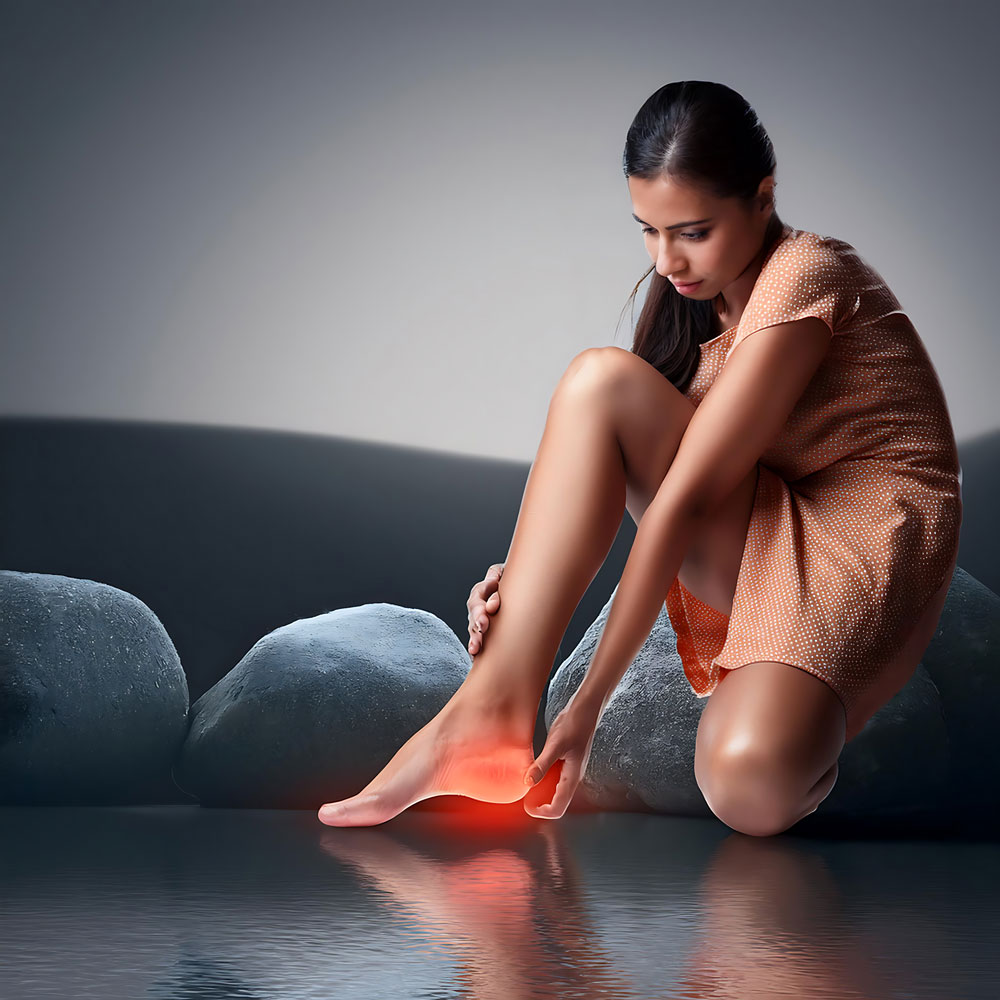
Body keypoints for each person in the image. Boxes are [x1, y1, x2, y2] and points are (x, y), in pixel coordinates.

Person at [317, 80, 962, 836]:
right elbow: (628, 462)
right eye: (648, 231)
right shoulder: (697, 298)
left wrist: (588, 707)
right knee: (601, 383)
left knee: (748, 787)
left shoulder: (806, 273)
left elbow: (683, 502)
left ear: (763, 197)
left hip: (869, 537)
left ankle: (812, 717)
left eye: (691, 230)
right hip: (768, 517)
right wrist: (523, 578)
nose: (666, 262)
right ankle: (485, 719)